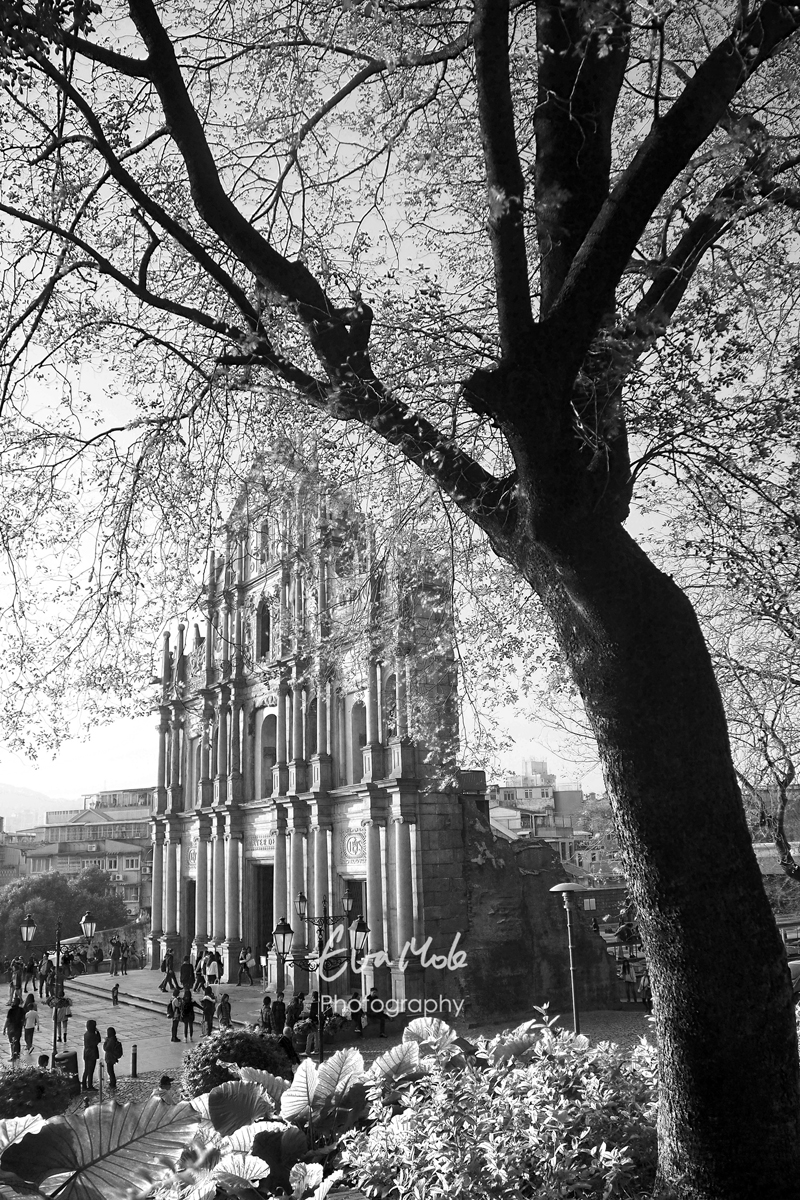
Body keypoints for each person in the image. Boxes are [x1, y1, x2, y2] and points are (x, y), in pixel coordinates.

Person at [82, 1018, 101, 1090]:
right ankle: (89, 1085)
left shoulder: (86, 1034)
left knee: (86, 1070)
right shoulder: (92, 1035)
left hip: (86, 1053)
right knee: (91, 1071)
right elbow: (98, 1040)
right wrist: (97, 1032)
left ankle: (84, 1085)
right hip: (92, 1054)